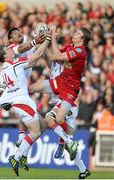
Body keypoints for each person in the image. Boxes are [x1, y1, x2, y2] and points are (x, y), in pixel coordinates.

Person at [30, 26, 92, 161]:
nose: (74, 33)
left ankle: (65, 142)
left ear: (83, 39)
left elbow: (57, 56)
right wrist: (46, 41)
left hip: (70, 89)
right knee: (32, 88)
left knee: (58, 120)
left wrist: (52, 37)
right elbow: (53, 56)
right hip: (60, 81)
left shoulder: (80, 51)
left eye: (77, 33)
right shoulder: (71, 47)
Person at [0, 34, 51, 176]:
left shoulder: (2, 72)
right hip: (22, 102)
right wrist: (46, 42)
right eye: (8, 50)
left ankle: (23, 153)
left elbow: (1, 88)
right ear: (5, 56)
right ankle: (17, 156)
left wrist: (0, 101)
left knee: (43, 126)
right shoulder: (15, 64)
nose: (10, 50)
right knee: (35, 131)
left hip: (17, 104)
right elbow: (35, 58)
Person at [6, 27, 45, 146]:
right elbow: (23, 48)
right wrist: (35, 41)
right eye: (14, 33)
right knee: (35, 126)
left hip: (24, 86)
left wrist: (46, 38)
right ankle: (22, 139)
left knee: (40, 125)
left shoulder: (29, 47)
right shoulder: (10, 49)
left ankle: (22, 139)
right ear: (10, 40)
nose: (18, 33)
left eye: (19, 31)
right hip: (14, 88)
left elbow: (38, 51)